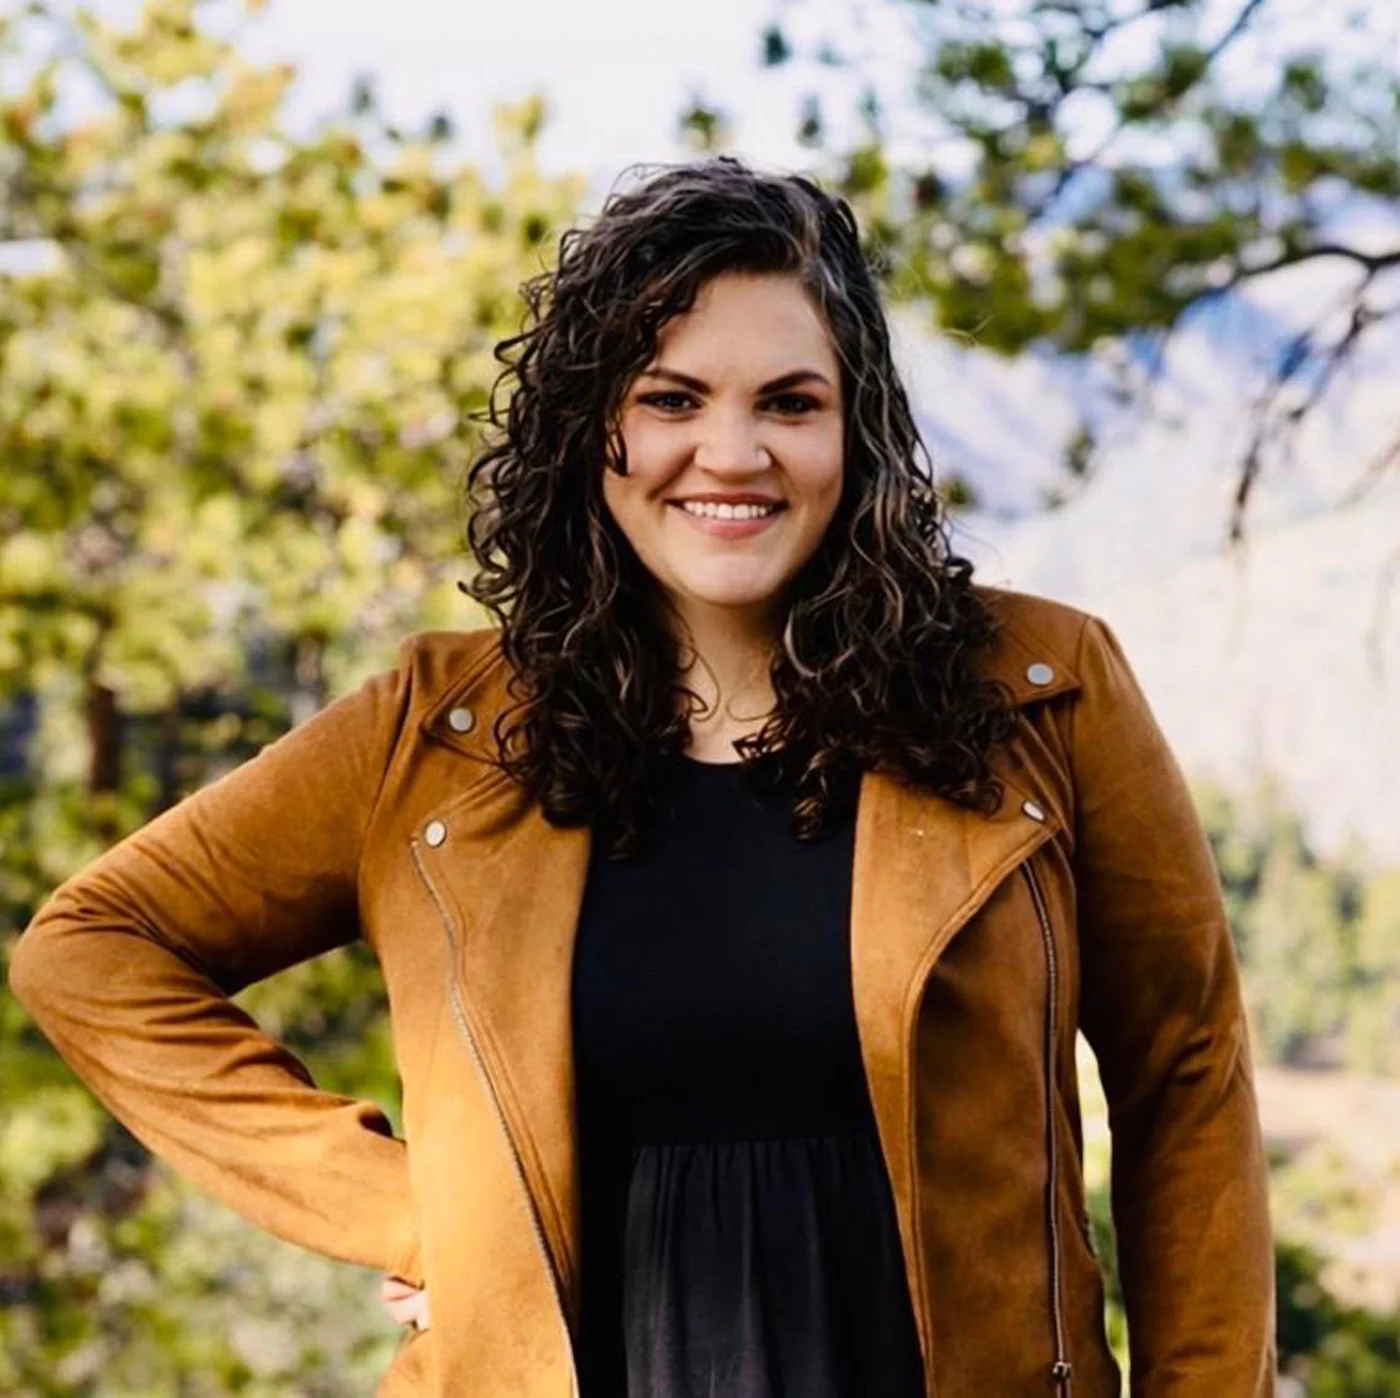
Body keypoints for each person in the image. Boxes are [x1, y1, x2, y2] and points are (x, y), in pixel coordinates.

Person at [9, 155, 1276, 1398]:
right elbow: (94, 948)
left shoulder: (1040, 690)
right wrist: (410, 1213)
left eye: (788, 402)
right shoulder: (434, 733)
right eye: (670, 399)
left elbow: (1184, 1075)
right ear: (591, 426)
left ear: (854, 431)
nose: (731, 452)